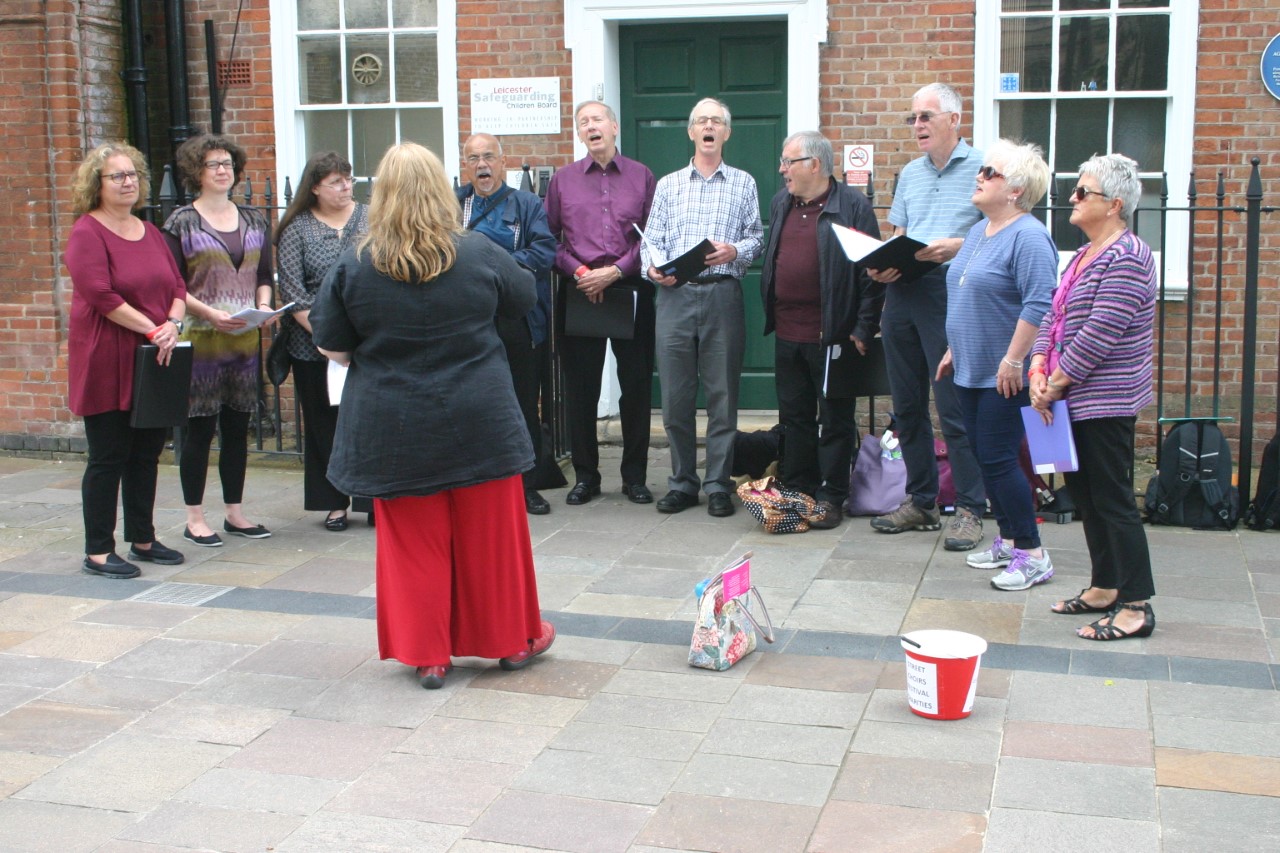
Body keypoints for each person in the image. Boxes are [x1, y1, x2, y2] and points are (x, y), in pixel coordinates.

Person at [309, 142, 555, 690]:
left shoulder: (356, 262)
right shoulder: (479, 252)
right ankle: (511, 641)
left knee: (414, 545)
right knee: (491, 539)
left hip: (394, 424)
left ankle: (430, 654)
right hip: (479, 417)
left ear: (385, 196)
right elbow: (520, 300)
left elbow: (331, 343)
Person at [1032, 154, 1158, 639]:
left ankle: (1136, 605)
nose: (1073, 198)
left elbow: (1098, 335)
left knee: (1113, 498)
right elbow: (1054, 317)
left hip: (1104, 401)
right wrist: (1039, 368)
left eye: (1084, 192)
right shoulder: (1084, 254)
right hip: (1067, 397)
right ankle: (1105, 585)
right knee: (1084, 495)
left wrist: (1054, 383)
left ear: (1115, 204)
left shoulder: (1127, 256)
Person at [867, 82, 987, 550]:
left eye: (926, 116)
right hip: (903, 291)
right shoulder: (910, 174)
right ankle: (921, 501)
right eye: (913, 118)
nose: (917, 125)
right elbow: (899, 232)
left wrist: (957, 245)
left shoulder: (984, 169)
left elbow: (1002, 232)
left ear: (954, 120)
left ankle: (972, 508)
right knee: (907, 404)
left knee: (953, 404)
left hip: (951, 292)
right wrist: (883, 263)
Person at [939, 140, 1058, 590]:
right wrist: (954, 347)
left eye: (991, 172)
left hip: (1003, 374)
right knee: (985, 459)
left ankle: (1032, 552)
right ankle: (1008, 538)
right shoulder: (978, 231)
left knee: (1000, 459)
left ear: (1016, 189)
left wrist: (1014, 359)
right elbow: (966, 292)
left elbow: (1039, 303)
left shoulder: (1029, 236)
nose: (980, 175)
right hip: (970, 366)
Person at [65, 143, 187, 578]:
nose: (128, 181)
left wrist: (173, 323)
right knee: (109, 455)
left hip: (153, 356)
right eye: (117, 175)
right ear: (95, 185)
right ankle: (98, 550)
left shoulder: (149, 231)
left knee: (147, 453)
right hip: (107, 358)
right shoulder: (87, 232)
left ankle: (143, 538)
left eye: (133, 173)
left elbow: (176, 283)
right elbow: (101, 295)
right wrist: (153, 329)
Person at [642, 97, 764, 517]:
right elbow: (651, 238)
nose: (709, 127)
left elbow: (756, 237)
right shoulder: (668, 184)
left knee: (722, 395)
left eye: (717, 121)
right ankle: (681, 482)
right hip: (675, 295)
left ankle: (717, 483)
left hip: (722, 296)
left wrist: (735, 250)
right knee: (675, 397)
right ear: (691, 132)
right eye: (702, 121)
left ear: (726, 133)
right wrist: (653, 268)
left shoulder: (744, 183)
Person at [759, 131, 884, 529]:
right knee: (794, 417)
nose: (782, 170)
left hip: (832, 334)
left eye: (788, 162)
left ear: (814, 165)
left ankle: (832, 494)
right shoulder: (782, 203)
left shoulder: (852, 205)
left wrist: (864, 326)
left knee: (835, 418)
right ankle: (798, 489)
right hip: (787, 331)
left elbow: (872, 272)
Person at [163, 134, 275, 548]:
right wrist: (209, 313)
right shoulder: (181, 222)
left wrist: (263, 306)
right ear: (197, 172)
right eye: (213, 164)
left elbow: (263, 276)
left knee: (237, 426)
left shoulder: (255, 220)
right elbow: (172, 284)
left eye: (227, 163)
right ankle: (194, 518)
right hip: (201, 340)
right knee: (199, 430)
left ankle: (235, 512)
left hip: (243, 340)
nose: (223, 170)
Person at [544, 101, 657, 507]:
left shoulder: (642, 177)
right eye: (583, 123)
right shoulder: (563, 181)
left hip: (630, 289)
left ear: (614, 126)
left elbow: (652, 237)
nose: (591, 127)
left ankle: (635, 477)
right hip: (580, 291)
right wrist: (580, 273)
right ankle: (586, 476)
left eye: (597, 120)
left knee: (637, 385)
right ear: (579, 134)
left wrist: (615, 272)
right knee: (581, 389)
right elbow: (548, 238)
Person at [457, 133, 557, 515]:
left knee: (522, 404)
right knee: (473, 402)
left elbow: (543, 252)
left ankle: (527, 486)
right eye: (473, 159)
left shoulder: (529, 204)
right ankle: (478, 484)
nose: (482, 165)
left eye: (488, 157)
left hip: (517, 319)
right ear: (466, 165)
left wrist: (492, 270)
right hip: (469, 321)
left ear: (502, 162)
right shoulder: (453, 206)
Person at [274, 151, 369, 531]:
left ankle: (372, 498)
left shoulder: (370, 218)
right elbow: (294, 294)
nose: (345, 186)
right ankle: (333, 502)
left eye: (348, 179)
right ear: (314, 188)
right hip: (311, 346)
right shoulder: (296, 229)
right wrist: (331, 335)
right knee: (323, 424)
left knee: (367, 422)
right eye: (335, 181)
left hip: (366, 341)